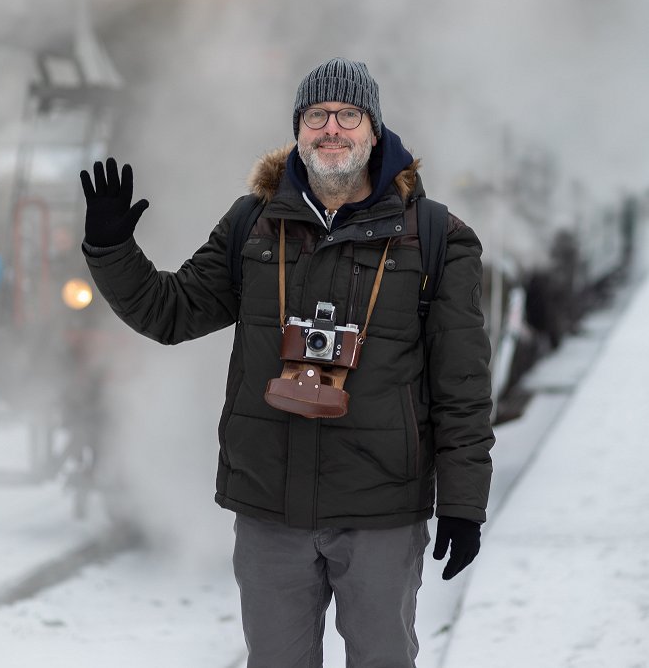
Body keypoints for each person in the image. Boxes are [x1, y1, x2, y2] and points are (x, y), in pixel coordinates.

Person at [80, 57, 494, 668]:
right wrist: (112, 248)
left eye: (348, 115)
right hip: (270, 510)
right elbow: (170, 313)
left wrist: (464, 502)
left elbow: (462, 385)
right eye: (317, 115)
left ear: (374, 130)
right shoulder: (252, 223)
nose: (332, 128)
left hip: (380, 507)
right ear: (297, 130)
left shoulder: (434, 236)